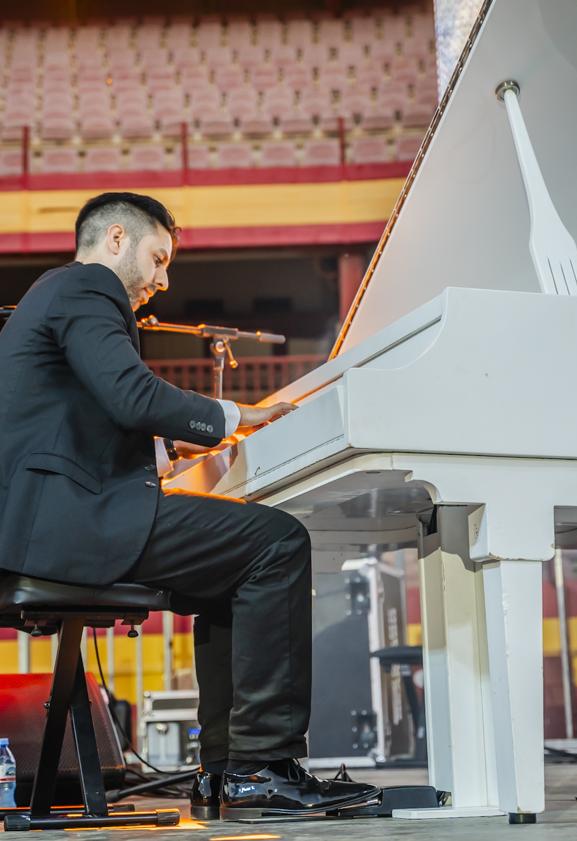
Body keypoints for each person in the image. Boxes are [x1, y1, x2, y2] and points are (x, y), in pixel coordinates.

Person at [0, 192, 379, 819]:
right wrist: (236, 416)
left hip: (56, 520)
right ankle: (261, 767)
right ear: (116, 239)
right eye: (159, 257)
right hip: (72, 526)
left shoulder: (56, 296)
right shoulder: (88, 287)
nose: (163, 279)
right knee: (277, 542)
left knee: (227, 577)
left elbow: (84, 424)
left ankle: (225, 772)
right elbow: (129, 394)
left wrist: (172, 451)